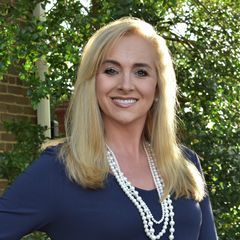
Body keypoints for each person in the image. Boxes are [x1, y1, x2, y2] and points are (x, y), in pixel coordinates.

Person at [0, 17, 218, 240]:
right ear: (92, 81)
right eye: (111, 71)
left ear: (159, 86)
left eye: (141, 72)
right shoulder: (59, 169)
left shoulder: (185, 164)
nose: (125, 85)